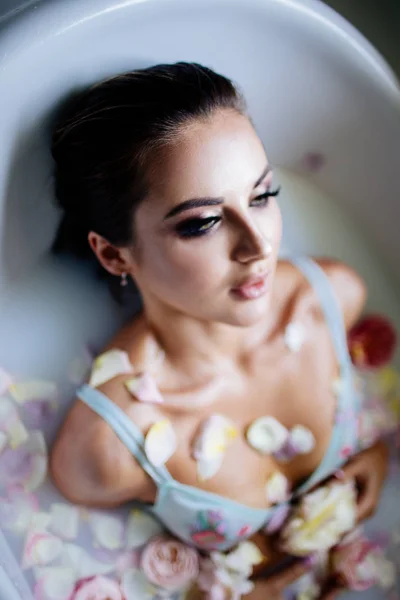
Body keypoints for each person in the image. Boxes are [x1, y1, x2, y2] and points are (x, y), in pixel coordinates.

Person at [49, 62, 388, 599]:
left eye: (262, 195)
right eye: (202, 223)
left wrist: (375, 458)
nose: (259, 247)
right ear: (114, 253)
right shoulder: (107, 448)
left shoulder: (331, 298)